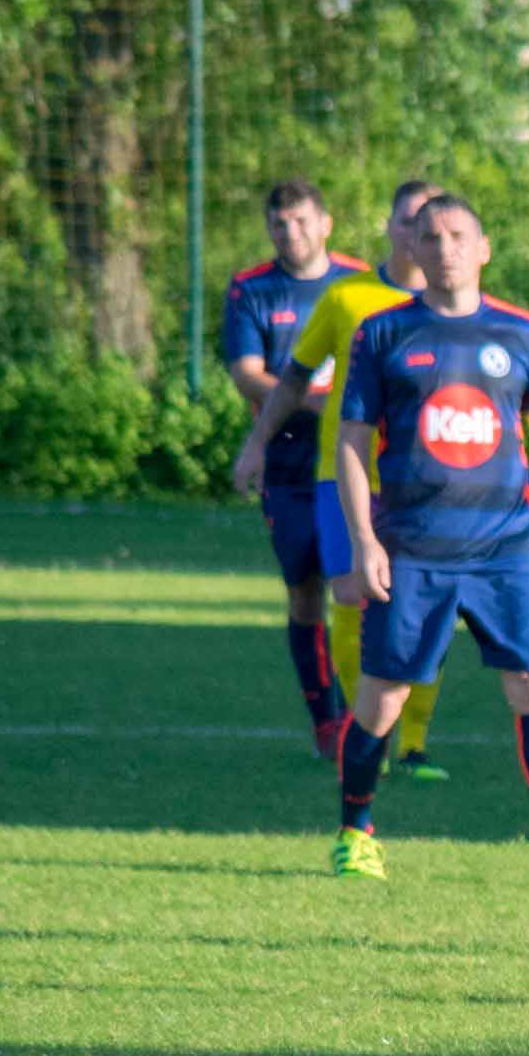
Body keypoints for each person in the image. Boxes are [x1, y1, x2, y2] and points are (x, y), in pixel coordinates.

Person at [322, 196, 529, 882]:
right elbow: (350, 442)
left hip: (504, 552)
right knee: (383, 697)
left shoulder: (519, 332)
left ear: (484, 248)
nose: (445, 248)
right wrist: (364, 540)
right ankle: (354, 833)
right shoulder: (382, 332)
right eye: (430, 237)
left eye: (458, 235)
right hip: (412, 549)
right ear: (413, 249)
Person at [234, 178, 449, 778]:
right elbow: (295, 380)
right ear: (391, 227)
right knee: (352, 598)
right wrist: (257, 443)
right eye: (409, 221)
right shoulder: (347, 297)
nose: (421, 234)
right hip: (346, 475)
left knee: (425, 606)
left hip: (428, 481)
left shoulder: (461, 308)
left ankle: (413, 742)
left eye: (434, 224)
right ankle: (365, 735)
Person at [217, 181, 371, 754]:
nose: (291, 233)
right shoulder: (252, 288)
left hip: (353, 452)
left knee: (358, 584)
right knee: (305, 589)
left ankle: (368, 718)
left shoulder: (359, 283)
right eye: (280, 224)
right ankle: (324, 717)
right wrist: (313, 401)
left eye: (302, 221)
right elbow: (246, 374)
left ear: (326, 223)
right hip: (288, 454)